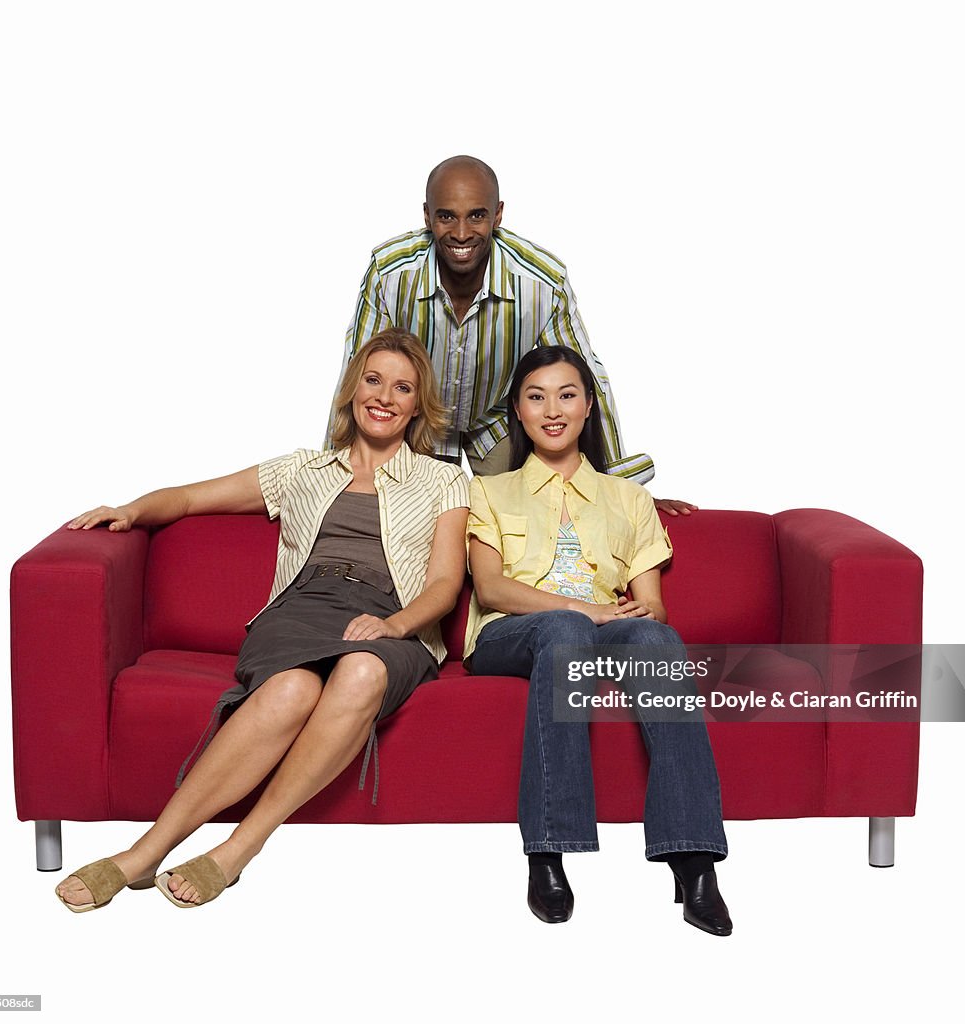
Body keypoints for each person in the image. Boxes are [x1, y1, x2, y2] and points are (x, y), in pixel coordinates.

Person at [54, 328, 470, 911]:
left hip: (388, 623)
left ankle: (237, 851)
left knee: (360, 671)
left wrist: (396, 626)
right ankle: (143, 855)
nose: (384, 396)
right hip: (300, 612)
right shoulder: (303, 470)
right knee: (291, 688)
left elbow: (447, 585)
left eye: (403, 388)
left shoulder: (444, 479)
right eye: (373, 380)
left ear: (417, 405)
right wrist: (130, 510)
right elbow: (193, 498)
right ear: (352, 389)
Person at [464, 345, 731, 934]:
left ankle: (695, 862)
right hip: (513, 633)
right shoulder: (487, 490)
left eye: (566, 395)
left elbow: (652, 602)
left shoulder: (629, 499)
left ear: (589, 405)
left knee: (661, 644)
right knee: (565, 627)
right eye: (536, 397)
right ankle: (549, 851)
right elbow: (491, 586)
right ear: (518, 409)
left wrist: (642, 614)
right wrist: (585, 608)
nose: (552, 410)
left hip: (608, 628)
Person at [327, 153, 695, 515]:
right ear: (427, 215)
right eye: (446, 216)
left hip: (496, 419)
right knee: (400, 520)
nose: (460, 232)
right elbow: (356, 375)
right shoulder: (389, 271)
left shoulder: (542, 281)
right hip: (419, 418)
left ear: (498, 214)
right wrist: (329, 476)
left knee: (540, 517)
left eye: (476, 216)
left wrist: (618, 487)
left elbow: (586, 379)